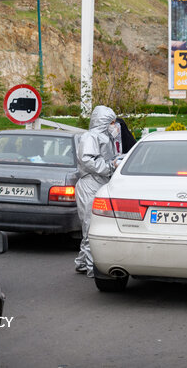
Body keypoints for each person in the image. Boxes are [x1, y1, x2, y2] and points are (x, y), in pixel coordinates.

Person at [74, 105, 120, 277]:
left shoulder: (105, 138)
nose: (115, 126)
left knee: (93, 224)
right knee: (90, 226)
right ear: (104, 122)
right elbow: (87, 160)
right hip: (89, 186)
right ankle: (93, 268)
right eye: (112, 122)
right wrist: (110, 166)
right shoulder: (90, 137)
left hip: (100, 184)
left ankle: (81, 262)